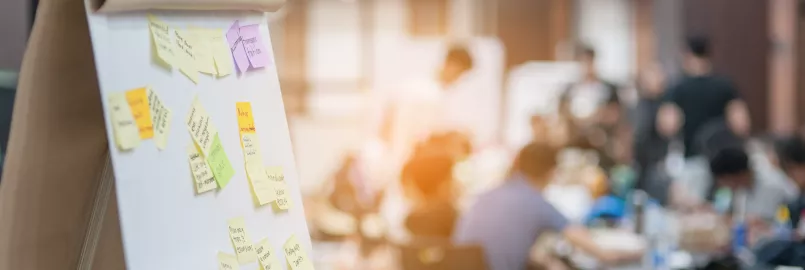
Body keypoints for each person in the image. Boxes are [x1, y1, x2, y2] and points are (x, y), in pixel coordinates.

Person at [454, 143, 643, 270]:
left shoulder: (486, 195)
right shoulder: (536, 203)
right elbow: (601, 254)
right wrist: (641, 251)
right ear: (552, 173)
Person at [657, 36, 751, 158]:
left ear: (687, 54)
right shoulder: (726, 86)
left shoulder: (677, 88)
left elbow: (668, 126)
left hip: (692, 157)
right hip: (722, 159)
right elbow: (741, 125)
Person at [707, 147, 794, 221]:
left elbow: (768, 221)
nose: (722, 185)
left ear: (738, 175)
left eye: (724, 181)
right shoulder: (741, 189)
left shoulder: (772, 185)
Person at [402, 152, 459, 240]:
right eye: (450, 179)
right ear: (440, 185)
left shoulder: (410, 221)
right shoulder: (456, 219)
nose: (455, 184)